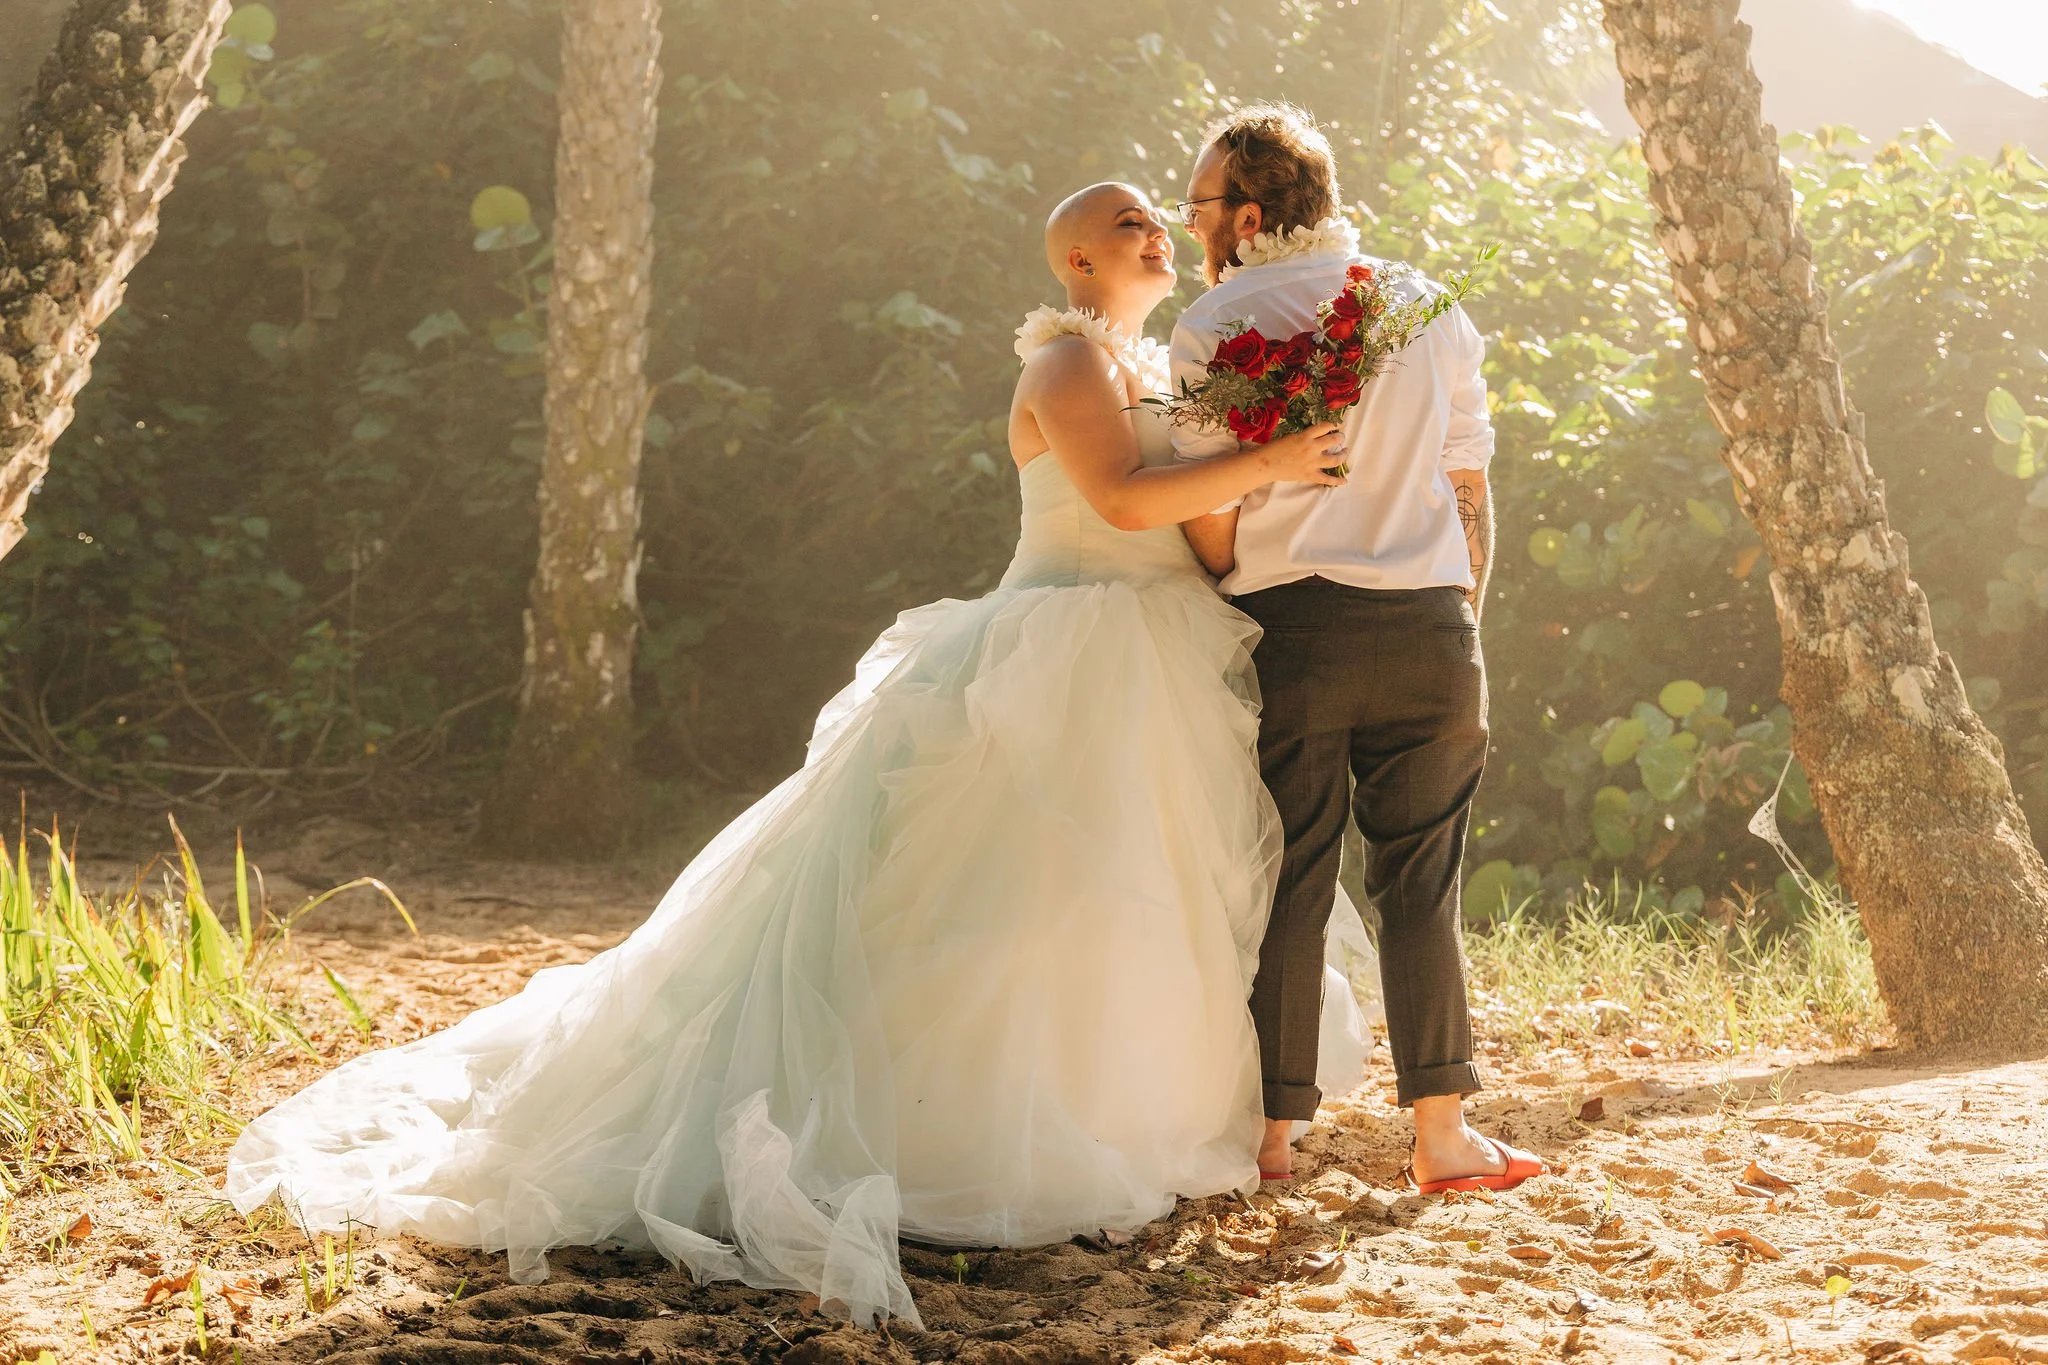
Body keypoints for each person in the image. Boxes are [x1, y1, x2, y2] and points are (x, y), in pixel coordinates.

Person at [226, 182, 1364, 1330]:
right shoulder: (1066, 367)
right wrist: (1270, 464)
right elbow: (1119, 502)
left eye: (1152, 219)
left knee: (1132, 900)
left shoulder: (1154, 370)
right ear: (1073, 257)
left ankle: (1132, 1109)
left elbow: (1189, 519)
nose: (1150, 230)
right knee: (1025, 899)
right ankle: (969, 1131)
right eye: (1122, 221)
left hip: (1156, 650)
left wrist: (1266, 480)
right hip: (1068, 641)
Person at [1169, 102, 1545, 1193]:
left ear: (1245, 211)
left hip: (1293, 625)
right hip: (1431, 621)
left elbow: (1210, 512)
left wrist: (1218, 592)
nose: (1193, 224)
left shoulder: (1218, 317)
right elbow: (1467, 481)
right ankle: (1440, 1137)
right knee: (1422, 882)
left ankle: (1273, 1139)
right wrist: (1458, 615)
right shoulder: (1426, 302)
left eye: (1197, 205)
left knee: (1288, 873)